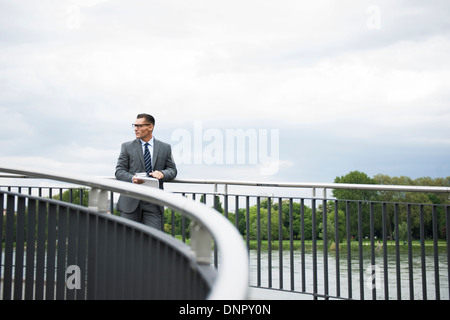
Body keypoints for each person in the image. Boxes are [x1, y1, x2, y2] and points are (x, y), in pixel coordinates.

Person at [115, 113, 177, 229]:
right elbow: (119, 171)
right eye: (135, 125)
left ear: (150, 127)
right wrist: (132, 179)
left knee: (154, 241)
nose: (136, 129)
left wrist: (162, 173)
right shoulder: (126, 147)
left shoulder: (165, 148)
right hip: (130, 201)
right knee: (128, 241)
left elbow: (172, 170)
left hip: (153, 202)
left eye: (139, 126)